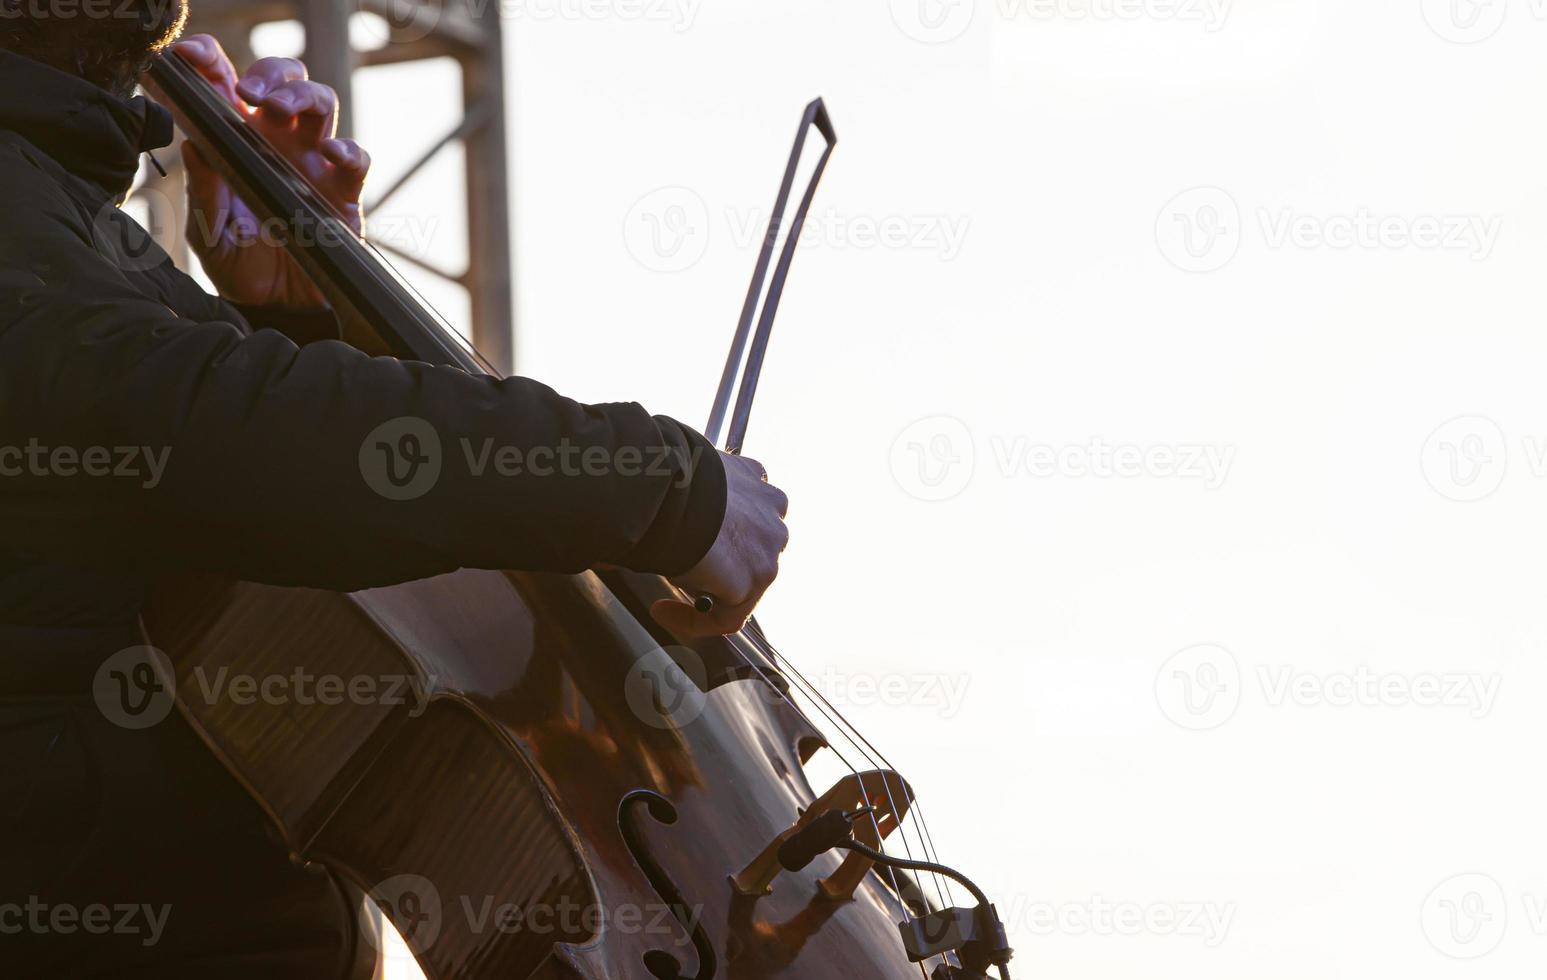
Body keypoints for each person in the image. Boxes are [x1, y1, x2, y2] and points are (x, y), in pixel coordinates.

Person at [0, 3, 788, 976]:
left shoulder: (70, 219)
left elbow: (203, 517)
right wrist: (652, 480)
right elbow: (220, 425)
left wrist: (282, 310)